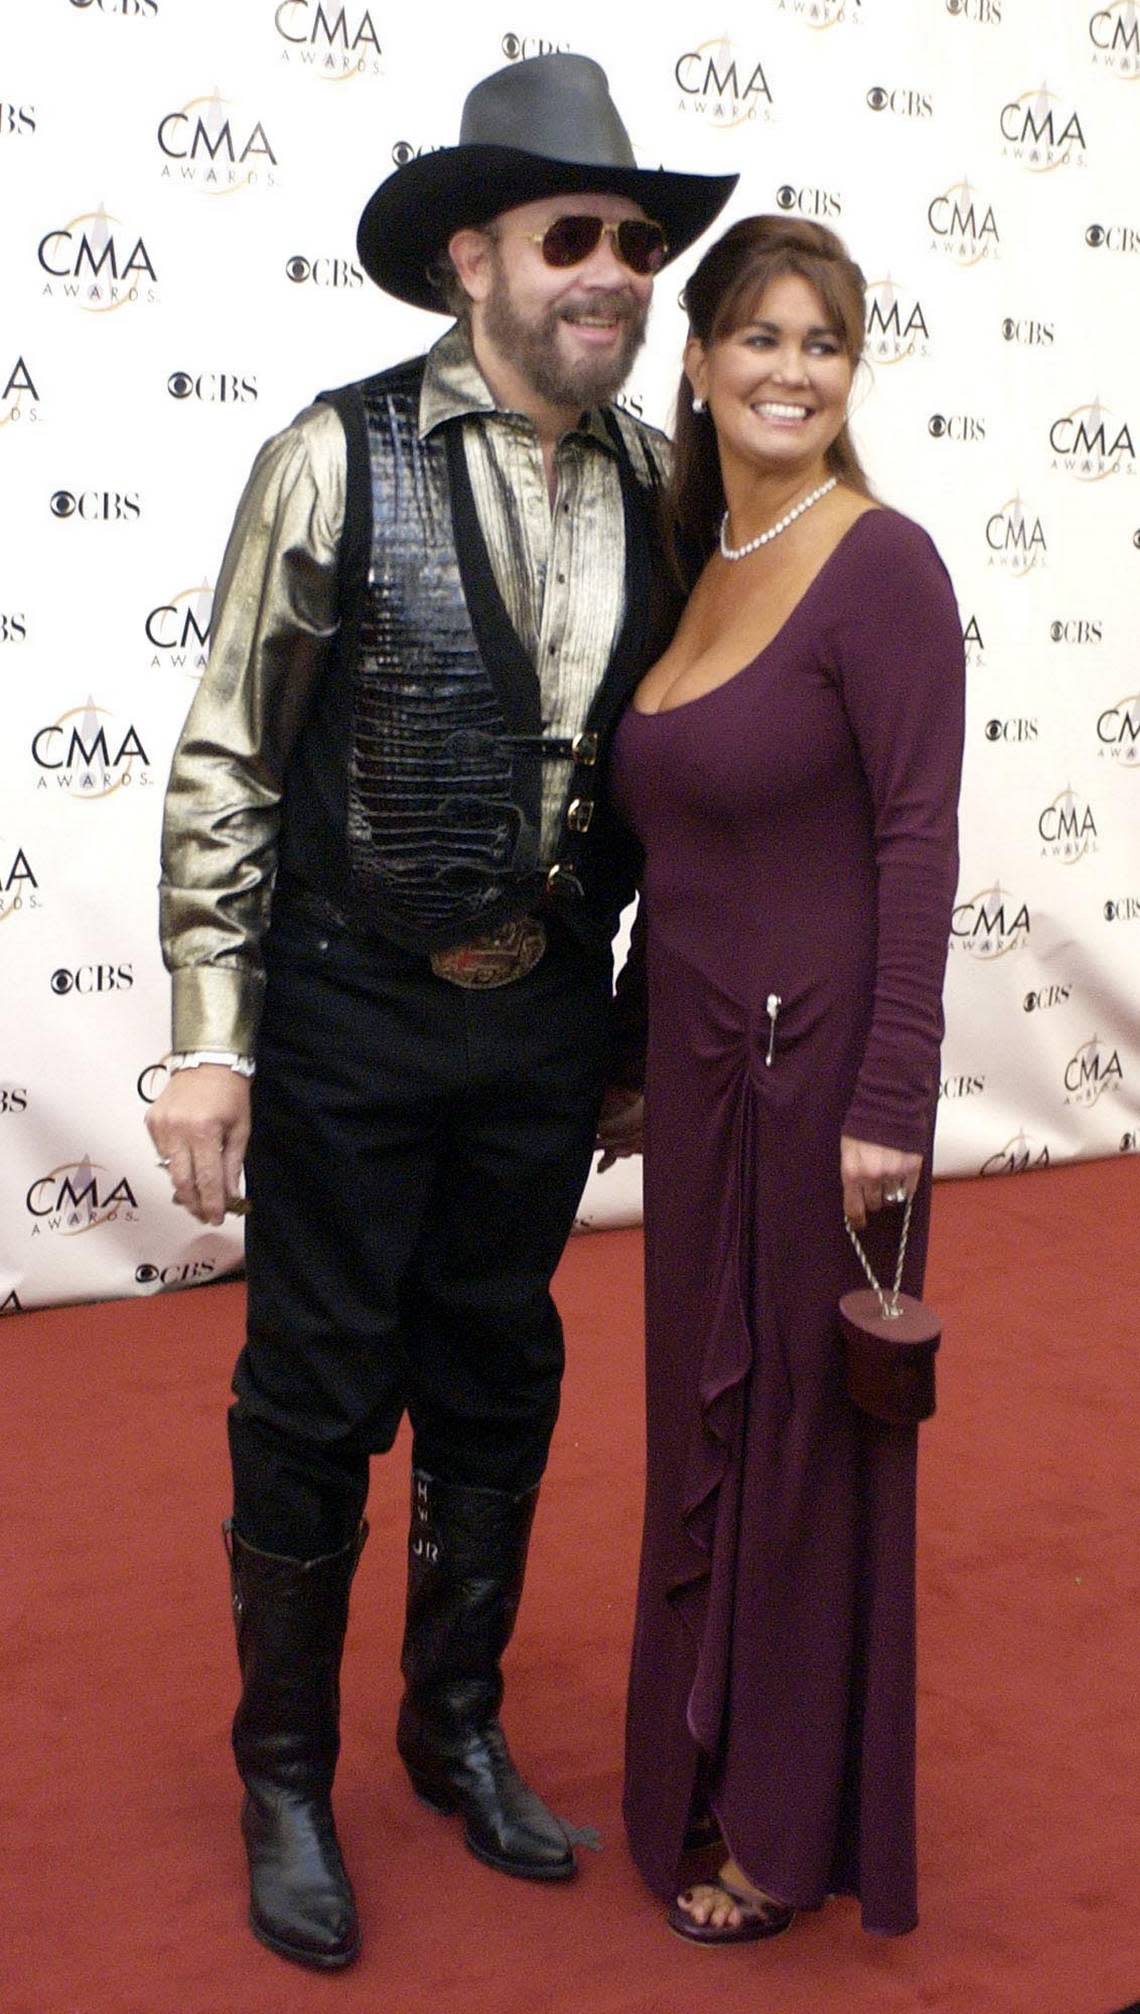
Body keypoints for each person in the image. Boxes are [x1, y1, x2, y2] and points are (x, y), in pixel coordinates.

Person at [145, 54, 734, 1972]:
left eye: (640, 245)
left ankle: (452, 1726)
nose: (616, 274)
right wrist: (208, 1034)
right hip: (345, 1013)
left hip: (545, 1023)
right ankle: (289, 1768)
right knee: (314, 1396)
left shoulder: (667, 479)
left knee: (501, 1371)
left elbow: (689, 781)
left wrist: (639, 1020)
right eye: (575, 235)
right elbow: (232, 757)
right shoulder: (337, 453)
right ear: (471, 254)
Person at [610, 216, 964, 1943]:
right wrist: (619, 1059)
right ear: (697, 362)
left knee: (806, 1453)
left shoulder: (879, 564)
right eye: (758, 335)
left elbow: (917, 837)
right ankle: (696, 1755)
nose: (791, 368)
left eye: (825, 342)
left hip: (818, 1082)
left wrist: (892, 1093)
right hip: (693, 1085)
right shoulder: (705, 556)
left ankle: (783, 1812)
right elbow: (678, 849)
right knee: (707, 1428)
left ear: (850, 373)